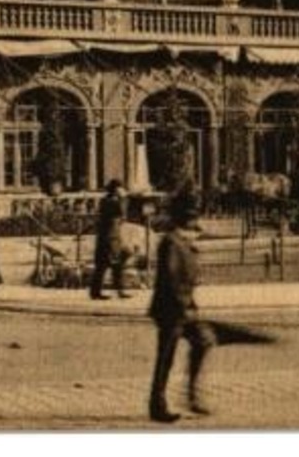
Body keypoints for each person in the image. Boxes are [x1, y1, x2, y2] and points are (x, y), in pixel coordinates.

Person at [147, 190, 213, 423]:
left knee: (204, 341)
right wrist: (185, 306)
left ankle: (192, 396)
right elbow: (171, 279)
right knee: (166, 358)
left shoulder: (182, 242)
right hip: (171, 310)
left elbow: (189, 277)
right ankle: (157, 405)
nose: (196, 222)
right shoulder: (171, 243)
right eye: (192, 217)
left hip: (183, 309)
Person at [91, 179, 131, 300]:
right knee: (107, 264)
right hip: (109, 237)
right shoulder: (110, 201)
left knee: (112, 263)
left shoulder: (108, 200)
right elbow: (121, 212)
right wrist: (123, 198)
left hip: (112, 235)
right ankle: (99, 291)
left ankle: (116, 289)